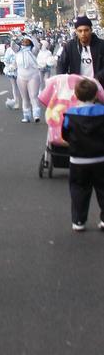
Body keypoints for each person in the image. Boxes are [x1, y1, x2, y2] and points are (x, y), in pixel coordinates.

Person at [61, 77, 104, 232]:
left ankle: (79, 220)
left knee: (79, 189)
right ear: (95, 96)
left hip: (78, 159)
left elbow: (65, 134)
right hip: (100, 158)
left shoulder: (70, 114)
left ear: (77, 96)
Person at [56, 16, 104, 81]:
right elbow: (61, 65)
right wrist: (61, 81)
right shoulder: (70, 46)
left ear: (91, 30)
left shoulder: (101, 45)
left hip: (98, 86)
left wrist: (98, 78)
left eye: (86, 30)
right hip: (76, 87)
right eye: (80, 31)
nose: (83, 33)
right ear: (76, 32)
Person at [15, 34, 42, 123]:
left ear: (30, 42)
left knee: (33, 96)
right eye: (23, 41)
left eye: (27, 41)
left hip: (33, 76)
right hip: (21, 77)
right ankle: (26, 116)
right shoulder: (18, 50)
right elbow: (12, 45)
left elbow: (37, 45)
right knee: (25, 97)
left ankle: (36, 114)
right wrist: (15, 37)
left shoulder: (33, 51)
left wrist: (31, 36)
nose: (24, 42)